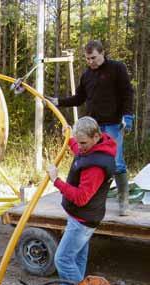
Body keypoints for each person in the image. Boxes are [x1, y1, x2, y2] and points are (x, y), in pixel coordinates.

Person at [48, 40, 134, 216]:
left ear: (102, 53)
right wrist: (58, 102)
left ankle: (123, 201)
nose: (90, 62)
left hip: (112, 124)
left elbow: (127, 92)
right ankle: (89, 198)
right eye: (87, 59)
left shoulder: (117, 68)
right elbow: (79, 98)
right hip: (92, 126)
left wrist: (128, 115)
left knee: (116, 163)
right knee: (89, 160)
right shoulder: (87, 75)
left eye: (93, 58)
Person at [47, 116, 116, 285]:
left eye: (83, 142)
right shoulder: (94, 150)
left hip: (82, 220)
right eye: (79, 142)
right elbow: (79, 151)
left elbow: (81, 198)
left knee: (62, 259)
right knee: (77, 257)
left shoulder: (96, 166)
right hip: (84, 217)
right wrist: (70, 139)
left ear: (96, 136)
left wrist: (56, 180)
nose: (81, 146)